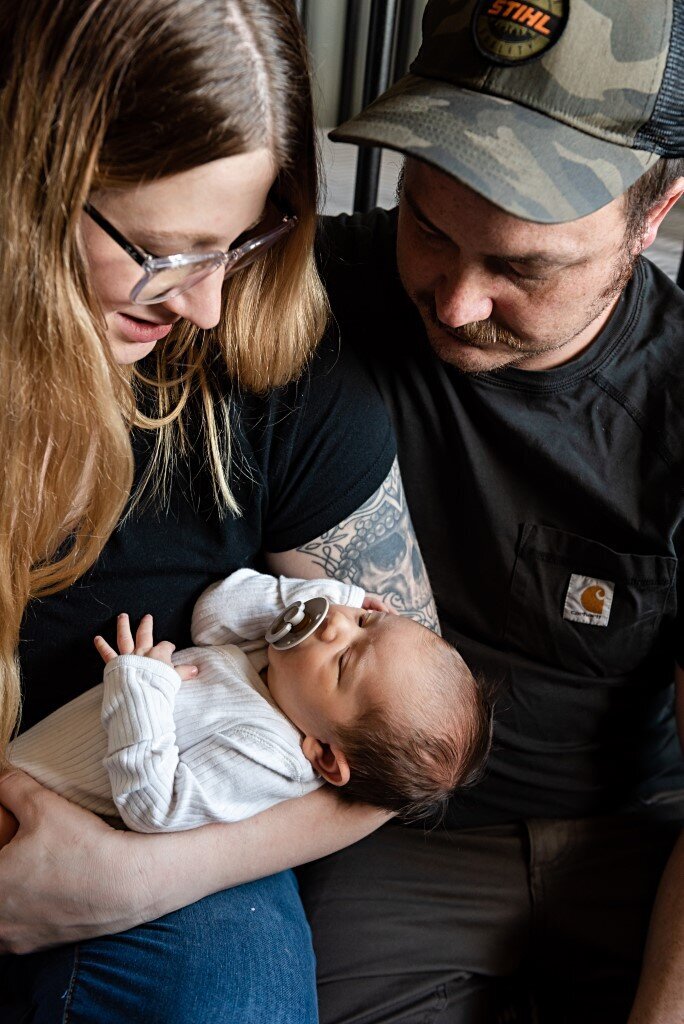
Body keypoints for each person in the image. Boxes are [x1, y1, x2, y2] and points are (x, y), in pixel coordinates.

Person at [0, 2, 440, 1021]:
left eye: (239, 243)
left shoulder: (279, 369)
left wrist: (136, 876)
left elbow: (398, 743)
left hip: (151, 843)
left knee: (222, 990)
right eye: (165, 250)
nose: (202, 304)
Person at [295, 1, 684, 1022]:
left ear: (653, 217)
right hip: (391, 841)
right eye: (428, 224)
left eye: (522, 266)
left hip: (644, 846)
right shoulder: (308, 296)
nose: (457, 300)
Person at [7, 569, 489, 832]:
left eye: (344, 661)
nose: (337, 625)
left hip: (28, 806)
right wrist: (322, 600)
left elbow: (154, 806)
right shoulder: (286, 675)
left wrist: (140, 690)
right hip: (23, 751)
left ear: (323, 754)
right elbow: (213, 614)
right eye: (365, 622)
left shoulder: (267, 754)